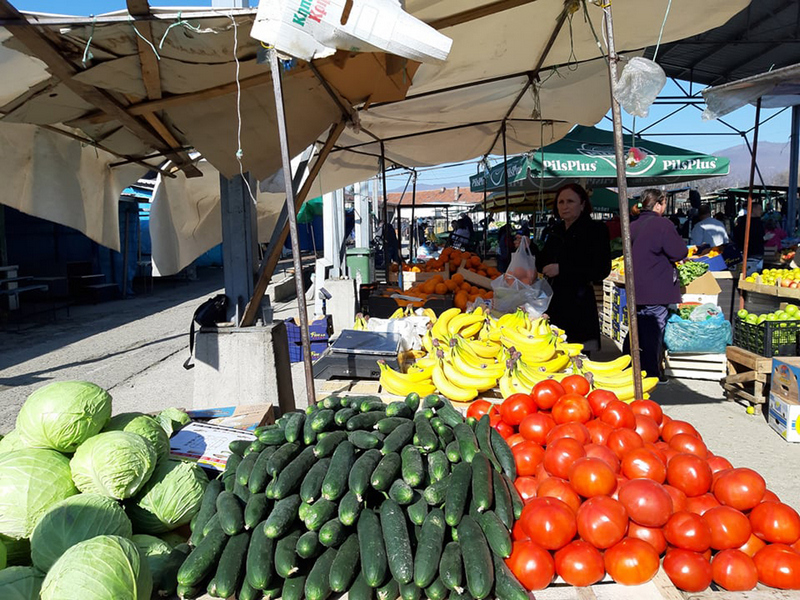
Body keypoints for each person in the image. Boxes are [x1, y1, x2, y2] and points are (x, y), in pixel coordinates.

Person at [537, 183, 611, 354]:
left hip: (579, 306)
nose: (565, 206)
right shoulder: (556, 230)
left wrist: (562, 269)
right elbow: (542, 263)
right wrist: (528, 248)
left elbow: (600, 269)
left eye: (570, 201)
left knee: (578, 359)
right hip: (553, 305)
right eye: (561, 202)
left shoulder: (595, 230)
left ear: (583, 204)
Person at [623, 189, 688, 382]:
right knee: (653, 330)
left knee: (637, 327)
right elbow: (678, 252)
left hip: (636, 287)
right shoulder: (662, 224)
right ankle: (651, 373)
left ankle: (629, 367)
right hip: (656, 287)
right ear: (659, 204)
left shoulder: (633, 225)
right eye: (665, 203)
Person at [733, 204, 765, 276]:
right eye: (759, 209)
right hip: (750, 253)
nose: (761, 211)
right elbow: (739, 236)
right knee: (751, 275)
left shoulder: (758, 221)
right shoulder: (744, 222)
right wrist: (764, 238)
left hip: (758, 254)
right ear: (753, 210)